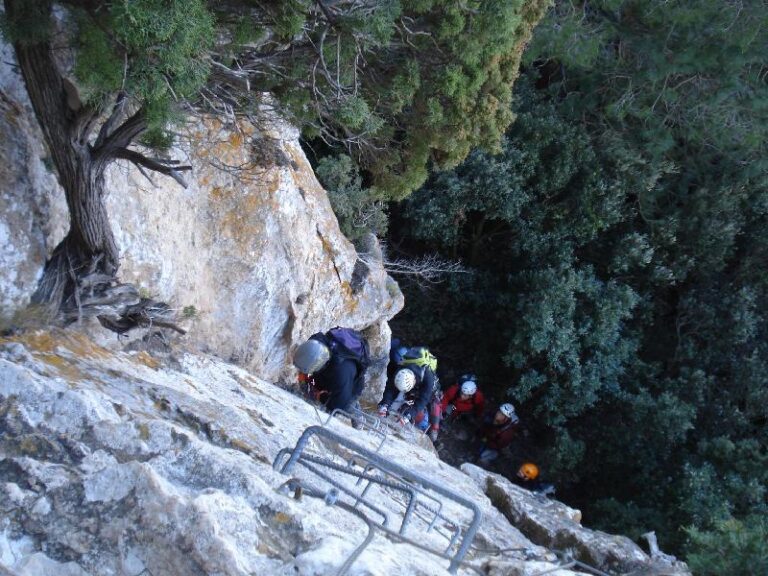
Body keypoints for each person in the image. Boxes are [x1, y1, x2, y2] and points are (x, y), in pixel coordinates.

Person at [293, 327, 369, 414]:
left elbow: (339, 404)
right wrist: (304, 380)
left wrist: (320, 396)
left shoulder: (343, 372)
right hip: (327, 371)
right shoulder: (315, 343)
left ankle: (356, 412)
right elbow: (305, 363)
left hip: (348, 385)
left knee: (341, 406)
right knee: (313, 382)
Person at [378, 363, 442, 442]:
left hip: (428, 395)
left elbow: (422, 401)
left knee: (420, 417)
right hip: (410, 392)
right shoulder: (400, 373)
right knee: (395, 409)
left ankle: (428, 431)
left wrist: (408, 415)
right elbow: (391, 389)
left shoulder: (428, 379)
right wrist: (385, 405)